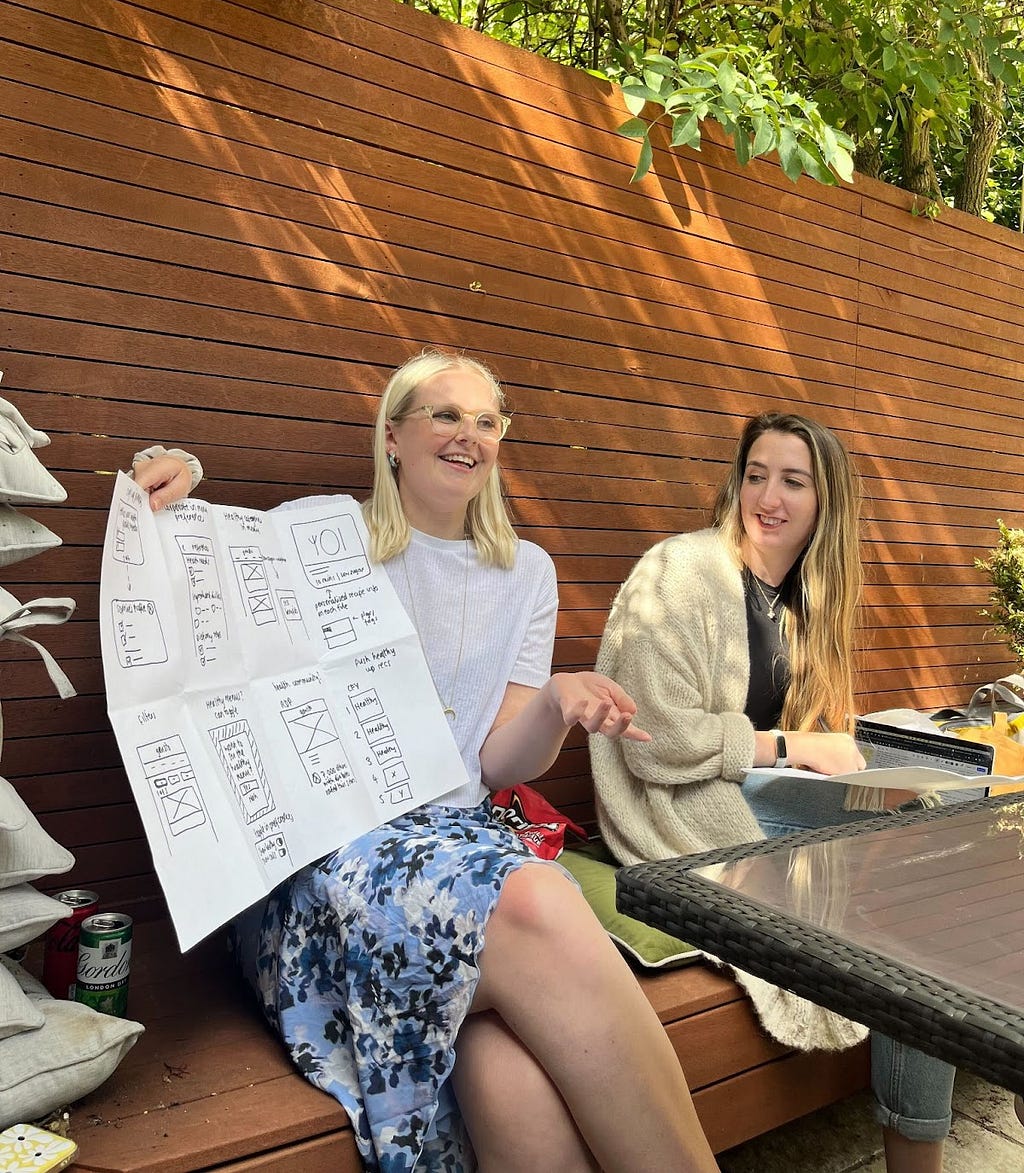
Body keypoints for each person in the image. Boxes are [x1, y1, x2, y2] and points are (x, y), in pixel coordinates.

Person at [132, 350, 719, 1173]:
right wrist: (175, 479)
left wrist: (553, 703)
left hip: (457, 846)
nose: (467, 435)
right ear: (394, 436)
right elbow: (207, 582)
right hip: (329, 864)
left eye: (486, 421)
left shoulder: (527, 573)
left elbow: (496, 763)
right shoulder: (326, 534)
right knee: (538, 900)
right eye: (445, 414)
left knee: (502, 1054)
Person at [591, 411, 955, 1173]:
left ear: (826, 503)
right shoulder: (679, 570)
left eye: (793, 480)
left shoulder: (802, 597)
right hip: (681, 810)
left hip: (763, 795)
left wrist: (839, 762)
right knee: (923, 893)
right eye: (756, 474)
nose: (769, 495)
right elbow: (651, 733)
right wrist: (793, 746)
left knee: (950, 813)